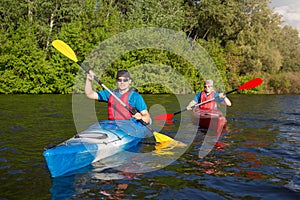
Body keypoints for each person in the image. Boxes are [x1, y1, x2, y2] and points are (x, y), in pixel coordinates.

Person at [85, 69, 151, 124]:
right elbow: (89, 94)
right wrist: (89, 80)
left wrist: (141, 117)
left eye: (125, 80)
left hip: (130, 126)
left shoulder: (135, 97)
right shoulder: (109, 93)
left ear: (129, 81)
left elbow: (147, 117)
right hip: (112, 125)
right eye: (119, 80)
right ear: (116, 81)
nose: (122, 82)